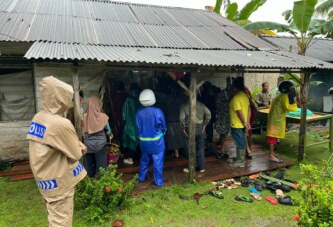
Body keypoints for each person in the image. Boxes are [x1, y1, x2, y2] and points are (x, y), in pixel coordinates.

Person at [27, 76, 87, 227]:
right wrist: (80, 146)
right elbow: (76, 153)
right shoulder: (61, 123)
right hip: (59, 181)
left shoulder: (39, 117)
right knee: (61, 221)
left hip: (45, 179)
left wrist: (72, 143)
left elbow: (53, 141)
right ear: (61, 98)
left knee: (53, 218)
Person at [136, 89, 166, 187]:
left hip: (144, 142)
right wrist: (163, 132)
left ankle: (141, 177)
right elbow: (163, 126)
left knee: (145, 160)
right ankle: (158, 181)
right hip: (157, 142)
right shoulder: (158, 111)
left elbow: (138, 126)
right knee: (157, 161)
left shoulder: (139, 112)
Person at [266, 81, 298, 163]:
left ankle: (272, 154)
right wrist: (296, 103)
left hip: (274, 119)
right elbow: (288, 108)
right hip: (276, 120)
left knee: (273, 137)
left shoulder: (278, 96)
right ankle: (271, 156)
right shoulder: (284, 97)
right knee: (272, 137)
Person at [83, 96, 113, 178]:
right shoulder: (103, 117)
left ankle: (89, 181)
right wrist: (110, 134)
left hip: (87, 145)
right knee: (101, 166)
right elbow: (109, 131)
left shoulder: (83, 117)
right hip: (100, 145)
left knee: (89, 165)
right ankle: (101, 183)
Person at [180, 96, 211, 173]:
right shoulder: (201, 105)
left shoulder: (184, 106)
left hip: (189, 129)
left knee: (189, 148)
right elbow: (208, 114)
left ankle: (191, 168)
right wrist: (204, 125)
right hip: (200, 128)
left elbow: (181, 119)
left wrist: (183, 129)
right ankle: (201, 168)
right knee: (200, 148)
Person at [229, 77, 250, 168]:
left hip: (237, 124)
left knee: (239, 142)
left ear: (235, 88)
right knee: (241, 141)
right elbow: (249, 109)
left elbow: (239, 112)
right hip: (243, 123)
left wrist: (244, 122)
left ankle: (240, 161)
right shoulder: (245, 96)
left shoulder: (236, 98)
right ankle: (240, 159)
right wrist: (247, 122)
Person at [215, 77, 234, 159]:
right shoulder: (231, 93)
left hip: (226, 115)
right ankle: (222, 147)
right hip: (227, 115)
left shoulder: (225, 92)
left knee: (223, 132)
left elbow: (217, 104)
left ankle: (222, 147)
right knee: (224, 132)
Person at [122, 83, 141, 165]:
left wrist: (124, 122)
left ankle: (130, 159)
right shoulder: (140, 99)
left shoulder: (128, 99)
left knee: (131, 142)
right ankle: (139, 158)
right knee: (140, 141)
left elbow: (124, 114)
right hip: (140, 125)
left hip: (131, 125)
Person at [112, 81, 128, 145]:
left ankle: (120, 146)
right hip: (127, 118)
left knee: (119, 132)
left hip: (117, 117)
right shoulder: (126, 96)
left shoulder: (114, 97)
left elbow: (113, 108)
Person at [244, 87, 258, 159]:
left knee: (246, 135)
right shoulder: (250, 101)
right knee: (248, 134)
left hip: (248, 121)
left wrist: (247, 121)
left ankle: (248, 151)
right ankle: (248, 151)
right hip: (248, 121)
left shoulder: (248, 102)